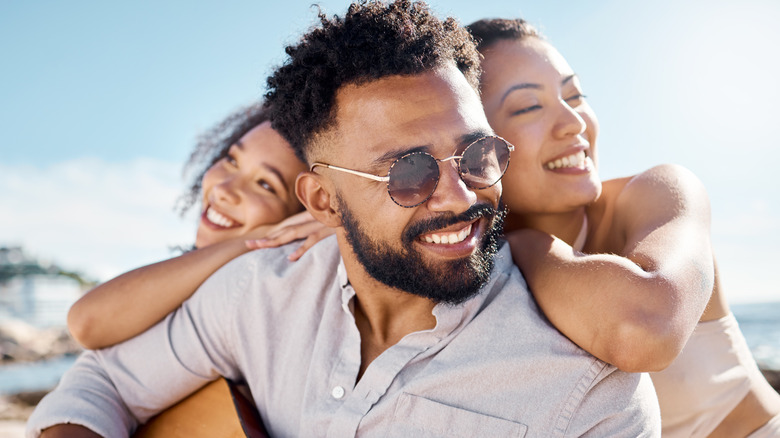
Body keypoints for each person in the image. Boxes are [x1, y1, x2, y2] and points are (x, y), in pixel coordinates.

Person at [27, 2, 660, 437]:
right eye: (409, 172)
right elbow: (104, 378)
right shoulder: (264, 291)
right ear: (323, 201)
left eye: (476, 155)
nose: (458, 196)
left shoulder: (586, 392)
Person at [468, 18, 780, 437]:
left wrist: (527, 245)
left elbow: (646, 328)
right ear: (473, 148)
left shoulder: (658, 194)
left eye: (574, 95)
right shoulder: (467, 259)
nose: (574, 122)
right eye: (529, 106)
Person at [66, 102, 330, 350]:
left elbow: (86, 322)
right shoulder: (201, 273)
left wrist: (260, 241)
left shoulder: (263, 295)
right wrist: (259, 236)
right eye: (231, 159)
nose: (224, 189)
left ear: (305, 213)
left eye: (265, 185)